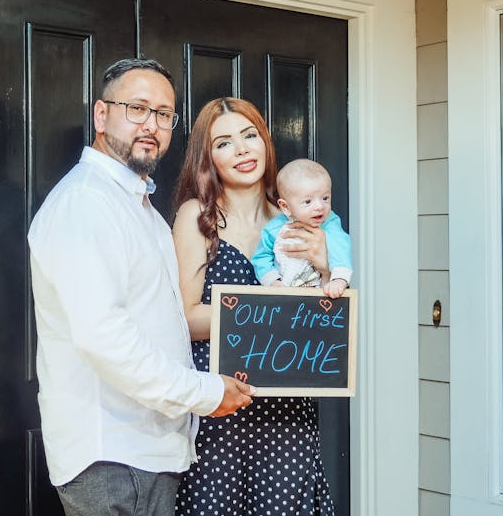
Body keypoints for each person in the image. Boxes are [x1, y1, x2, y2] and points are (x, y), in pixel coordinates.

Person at [28, 59, 255, 516]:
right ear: (101, 115)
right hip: (110, 455)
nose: (151, 125)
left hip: (147, 451)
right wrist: (205, 394)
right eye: (137, 108)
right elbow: (103, 336)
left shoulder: (140, 208)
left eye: (164, 114)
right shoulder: (85, 204)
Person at [171, 97, 337, 515]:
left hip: (287, 409)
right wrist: (265, 311)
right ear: (208, 158)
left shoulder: (300, 219)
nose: (242, 149)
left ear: (265, 142)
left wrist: (322, 270)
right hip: (218, 406)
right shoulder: (197, 217)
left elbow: (323, 325)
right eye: (224, 142)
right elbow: (185, 319)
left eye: (249, 136)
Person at [251, 158, 353, 298]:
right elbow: (261, 258)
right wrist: (273, 282)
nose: (319, 206)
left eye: (325, 198)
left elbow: (341, 247)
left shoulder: (330, 222)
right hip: (285, 296)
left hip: (320, 296)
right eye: (308, 201)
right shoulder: (274, 229)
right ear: (285, 207)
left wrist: (338, 279)